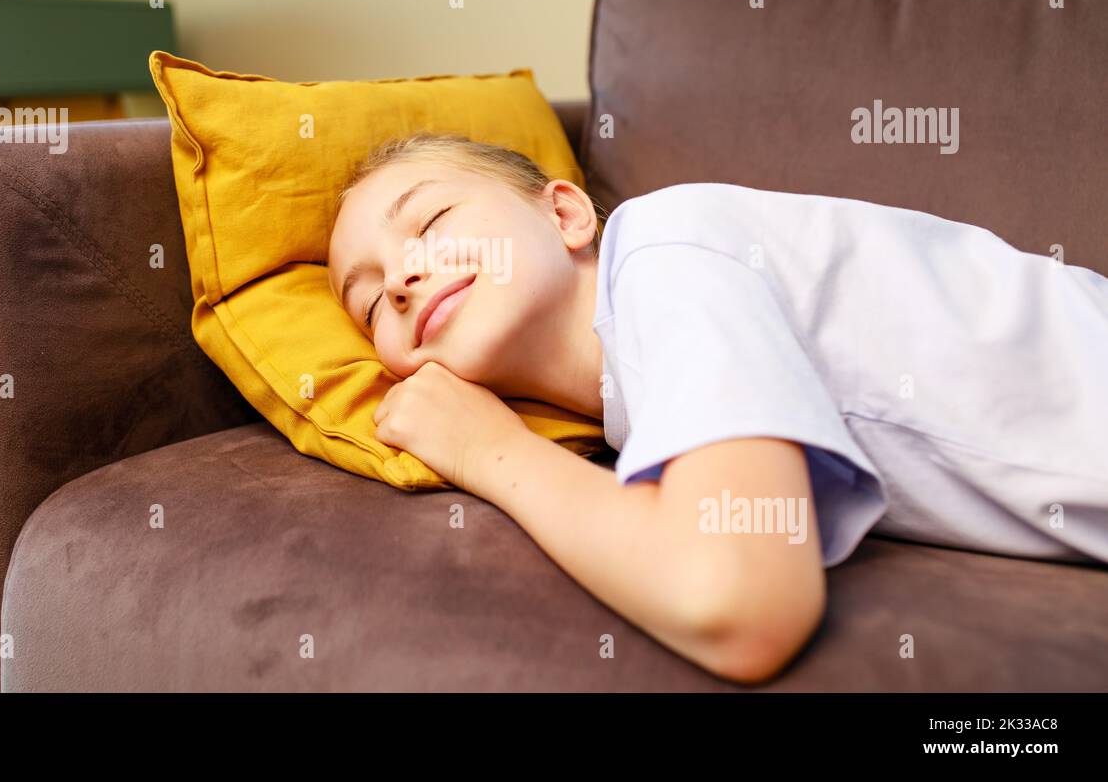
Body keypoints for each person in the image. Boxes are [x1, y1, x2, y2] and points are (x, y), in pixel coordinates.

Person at [326, 130, 1108, 684]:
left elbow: (738, 599)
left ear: (564, 214)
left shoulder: (668, 249)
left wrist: (486, 450)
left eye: (430, 222)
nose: (400, 280)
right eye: (369, 308)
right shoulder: (630, 400)